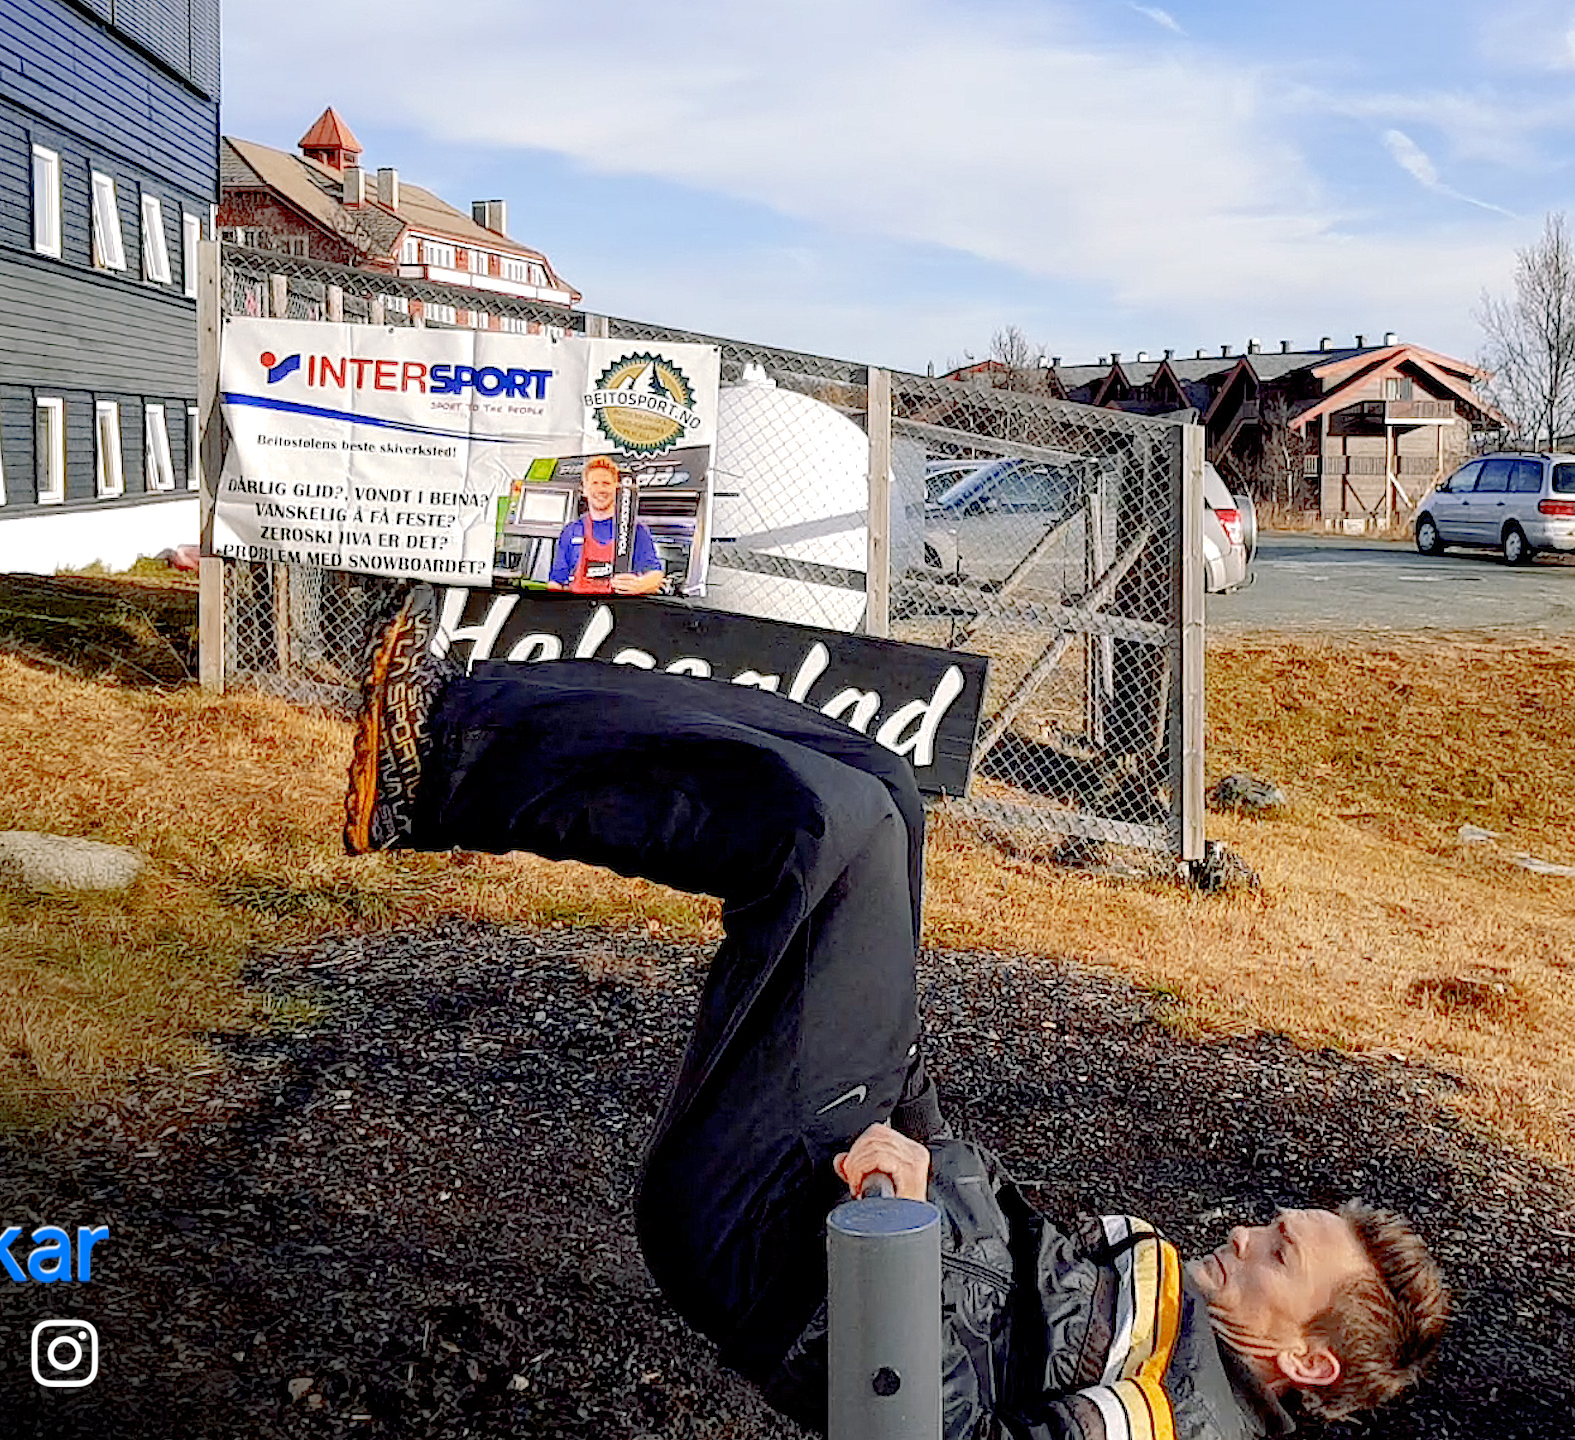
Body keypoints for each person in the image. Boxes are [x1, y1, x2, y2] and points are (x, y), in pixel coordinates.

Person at [343, 587, 1449, 1438]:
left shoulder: (1168, 1420)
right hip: (845, 1188)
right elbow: (997, 1260)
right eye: (1277, 1224)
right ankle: (469, 703)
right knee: (877, 783)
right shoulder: (1179, 1333)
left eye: (1278, 1254)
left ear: (1306, 1361)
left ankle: (441, 762)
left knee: (829, 831)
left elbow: (922, 1424)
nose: (1250, 1232)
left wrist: (901, 1242)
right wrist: (905, 1066)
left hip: (778, 1249)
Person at [549, 453, 667, 596]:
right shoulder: (571, 531)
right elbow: (556, 582)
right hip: (580, 610)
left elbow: (656, 575)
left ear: (616, 488)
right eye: (594, 483)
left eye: (606, 483)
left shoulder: (635, 530)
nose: (600, 490)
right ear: (584, 490)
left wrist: (641, 585)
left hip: (620, 611)